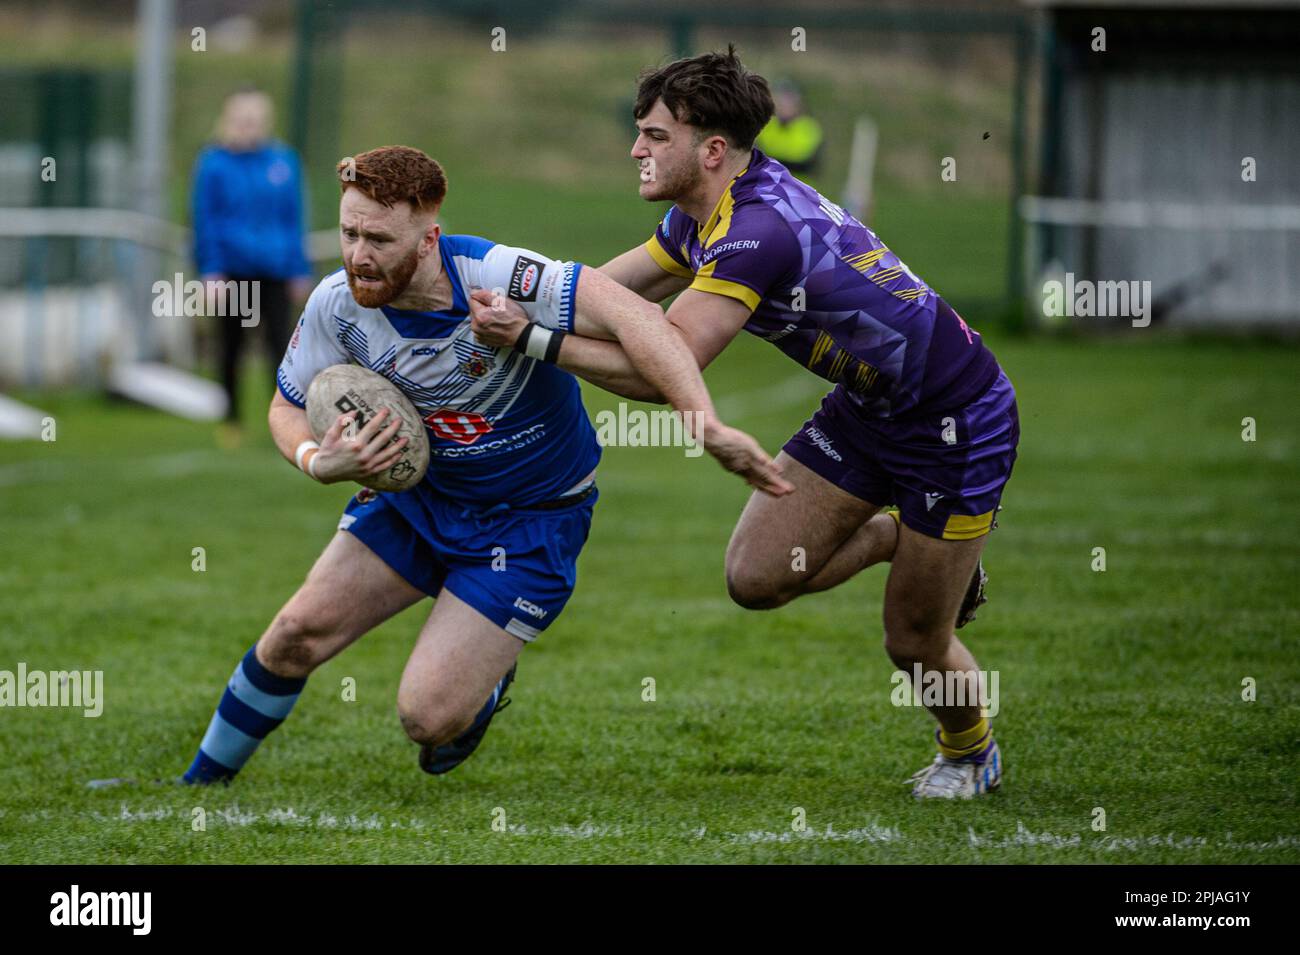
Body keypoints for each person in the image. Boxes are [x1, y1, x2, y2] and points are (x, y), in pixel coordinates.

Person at [470, 49, 1019, 800]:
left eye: (656, 136)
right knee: (756, 577)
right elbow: (598, 292)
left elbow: (668, 368)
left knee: (913, 637)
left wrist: (532, 341)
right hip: (868, 412)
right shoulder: (701, 215)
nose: (637, 149)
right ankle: (902, 537)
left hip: (957, 419)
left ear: (713, 149)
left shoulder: (756, 232)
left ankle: (969, 750)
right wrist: (495, 296)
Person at [178, 145, 787, 785]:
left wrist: (704, 422)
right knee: (294, 635)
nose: (358, 254)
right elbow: (285, 405)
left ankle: (484, 679)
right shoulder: (338, 303)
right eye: (350, 232)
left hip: (529, 522)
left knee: (427, 719)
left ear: (429, 238)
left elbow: (636, 316)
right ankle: (197, 788)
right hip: (421, 502)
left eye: (379, 239)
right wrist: (314, 459)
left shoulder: (501, 277)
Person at [192, 88, 314, 447]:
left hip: (275, 269)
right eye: (243, 119)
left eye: (256, 119)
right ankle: (231, 419)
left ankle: (286, 419)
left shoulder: (284, 162)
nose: (250, 126)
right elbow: (205, 220)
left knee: (283, 347)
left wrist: (298, 267)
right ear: (230, 120)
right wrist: (210, 269)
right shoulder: (213, 164)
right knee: (230, 347)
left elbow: (294, 217)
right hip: (233, 270)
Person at [755, 79, 824, 177]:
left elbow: (805, 164)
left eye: (789, 101)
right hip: (767, 186)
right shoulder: (766, 125)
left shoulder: (808, 128)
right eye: (781, 100)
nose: (784, 106)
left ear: (799, 103)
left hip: (799, 188)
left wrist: (770, 159)